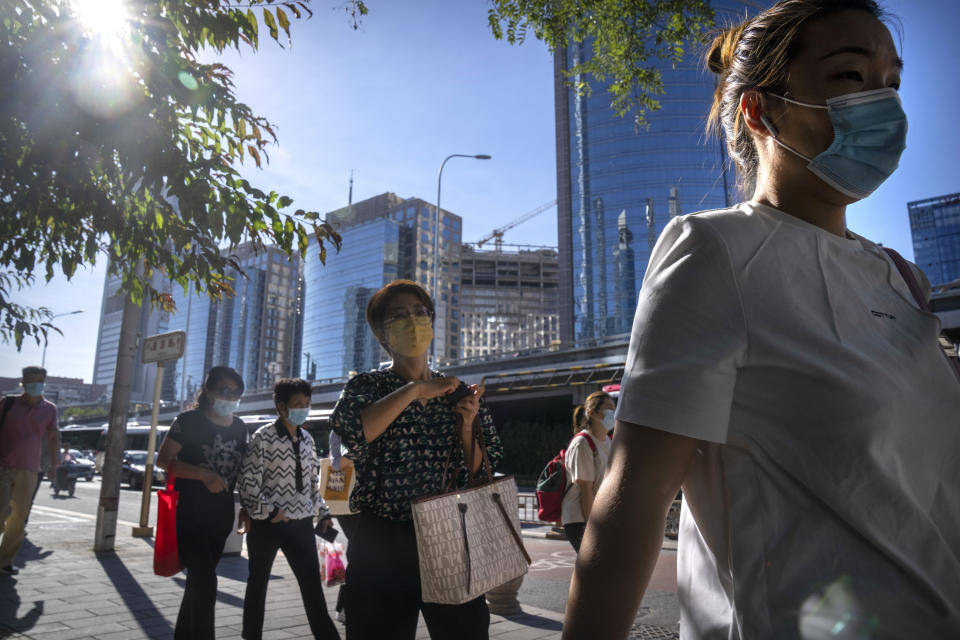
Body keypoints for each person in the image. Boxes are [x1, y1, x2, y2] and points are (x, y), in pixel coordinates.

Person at [563, 2, 960, 638]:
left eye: (892, 84)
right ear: (762, 109)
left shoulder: (900, 277)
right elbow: (631, 506)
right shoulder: (715, 252)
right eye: (851, 78)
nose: (884, 104)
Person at [330, 279, 503, 640]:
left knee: (466, 631)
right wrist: (415, 390)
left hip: (450, 533)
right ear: (382, 334)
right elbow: (353, 431)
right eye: (399, 315)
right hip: (382, 538)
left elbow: (477, 471)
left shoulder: (457, 391)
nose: (413, 321)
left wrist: (468, 425)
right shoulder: (367, 387)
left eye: (420, 312)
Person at [236, 378, 340, 640]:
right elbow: (247, 481)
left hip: (302, 524)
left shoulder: (307, 439)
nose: (304, 408)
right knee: (257, 586)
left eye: (307, 403)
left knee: (312, 589)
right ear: (281, 406)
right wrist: (269, 511)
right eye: (298, 404)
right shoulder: (264, 437)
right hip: (267, 525)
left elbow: (312, 483)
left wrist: (324, 513)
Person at [157, 366, 248, 639]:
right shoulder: (188, 420)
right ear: (208, 391)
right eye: (224, 390)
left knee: (198, 583)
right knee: (206, 582)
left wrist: (245, 507)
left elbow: (242, 471)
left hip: (220, 517)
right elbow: (164, 461)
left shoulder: (240, 427)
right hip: (188, 515)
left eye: (235, 393)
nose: (230, 397)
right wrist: (202, 474)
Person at [0, 366, 59, 575]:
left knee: (19, 517)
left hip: (30, 469)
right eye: (32, 380)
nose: (36, 384)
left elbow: (53, 436)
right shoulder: (8, 404)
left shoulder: (50, 409)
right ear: (23, 383)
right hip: (3, 466)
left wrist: (54, 463)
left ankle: (5, 561)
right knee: (1, 510)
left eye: (40, 381)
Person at [560, 391, 614, 553]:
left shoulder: (609, 441)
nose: (614, 413)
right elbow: (586, 491)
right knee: (594, 569)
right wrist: (593, 528)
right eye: (609, 408)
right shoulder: (582, 443)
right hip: (580, 519)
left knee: (600, 570)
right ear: (592, 412)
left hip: (599, 517)